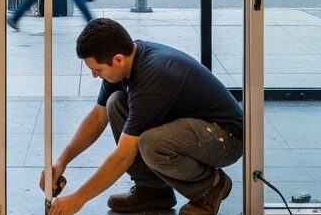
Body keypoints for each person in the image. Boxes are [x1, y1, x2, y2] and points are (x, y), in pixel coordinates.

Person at [45, 18, 243, 215]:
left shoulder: (153, 77)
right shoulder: (125, 63)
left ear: (118, 59)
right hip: (192, 128)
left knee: (152, 143)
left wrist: (78, 199)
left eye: (97, 70)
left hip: (226, 137)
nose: (95, 76)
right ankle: (153, 191)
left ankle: (211, 187)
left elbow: (123, 156)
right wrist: (61, 162)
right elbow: (98, 117)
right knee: (116, 103)